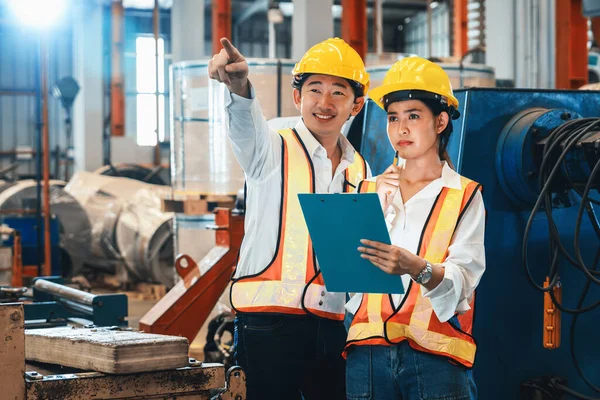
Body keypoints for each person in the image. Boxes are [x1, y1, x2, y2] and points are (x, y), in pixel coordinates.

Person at [208, 37, 371, 400]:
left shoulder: (360, 168)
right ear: (298, 97)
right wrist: (238, 85)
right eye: (315, 89)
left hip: (330, 326)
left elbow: (357, 258)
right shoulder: (271, 145)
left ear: (356, 104)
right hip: (267, 323)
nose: (324, 103)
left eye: (338, 93)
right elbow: (244, 120)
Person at [345, 57, 486, 400]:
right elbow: (347, 279)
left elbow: (463, 281)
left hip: (436, 356)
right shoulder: (367, 189)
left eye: (413, 116)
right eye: (393, 117)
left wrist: (415, 267)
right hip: (368, 353)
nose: (400, 128)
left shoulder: (464, 195)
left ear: (440, 121)